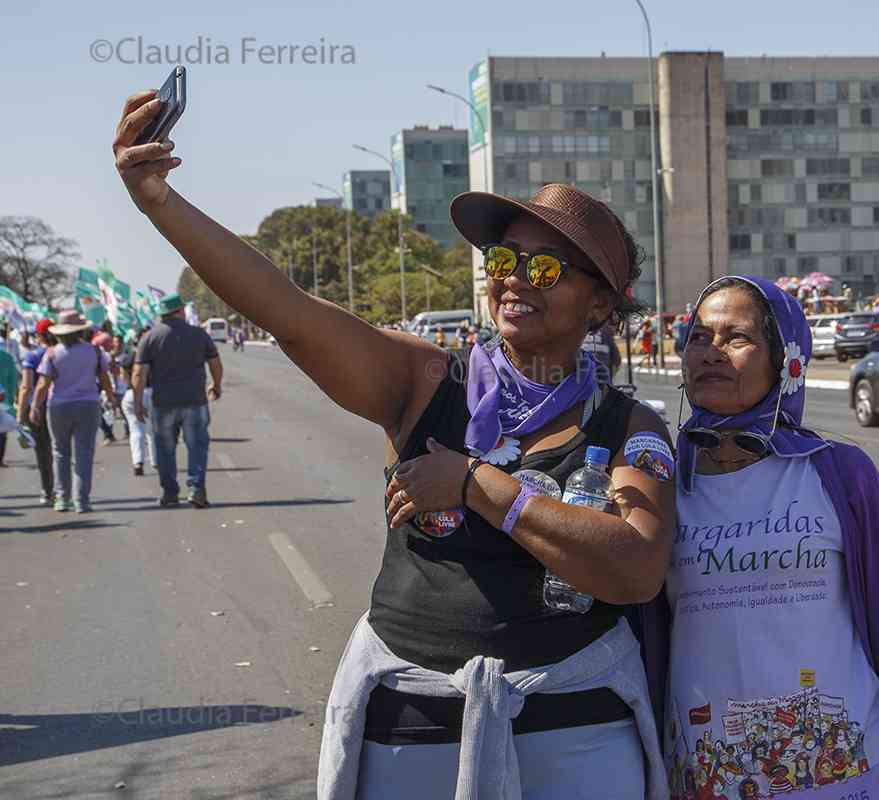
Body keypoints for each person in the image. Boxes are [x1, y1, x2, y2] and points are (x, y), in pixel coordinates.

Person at [113, 96, 673, 799]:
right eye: (504, 258)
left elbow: (635, 569)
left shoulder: (628, 426)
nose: (511, 278)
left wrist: (475, 485)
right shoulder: (425, 379)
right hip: (411, 728)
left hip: (577, 733)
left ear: (600, 304)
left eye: (545, 268)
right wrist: (161, 203)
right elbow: (289, 312)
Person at [668, 276, 879, 800]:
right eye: (698, 337)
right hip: (709, 772)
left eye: (737, 337)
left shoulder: (840, 473)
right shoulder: (660, 480)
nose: (711, 352)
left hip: (848, 771)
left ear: (785, 360)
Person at [132, 293, 222, 508]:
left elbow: (138, 374)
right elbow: (215, 364)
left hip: (163, 404)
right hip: (195, 401)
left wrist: (138, 402)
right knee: (197, 447)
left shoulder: (149, 338)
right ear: (180, 311)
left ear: (162, 314)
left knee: (165, 449)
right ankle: (196, 490)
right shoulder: (199, 334)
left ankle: (170, 493)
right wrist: (216, 385)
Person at [29, 311, 117, 513]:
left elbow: (43, 384)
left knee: (60, 452)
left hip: (59, 406)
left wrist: (34, 406)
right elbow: (104, 378)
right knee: (84, 452)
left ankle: (62, 498)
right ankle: (82, 501)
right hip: (88, 405)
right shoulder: (94, 352)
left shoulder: (52, 353)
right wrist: (112, 398)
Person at [16, 319, 56, 503]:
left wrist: (20, 415)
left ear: (39, 335)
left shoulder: (32, 356)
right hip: (61, 405)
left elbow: (26, 387)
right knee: (62, 450)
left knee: (43, 451)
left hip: (38, 408)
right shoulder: (62, 352)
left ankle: (47, 490)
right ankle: (64, 489)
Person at [120, 332, 155, 476]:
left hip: (131, 393)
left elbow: (124, 378)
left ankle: (138, 462)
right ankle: (156, 461)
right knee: (152, 430)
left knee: (135, 430)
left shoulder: (128, 358)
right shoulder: (154, 356)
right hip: (151, 392)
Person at [0, 345, 18, 467]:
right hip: (4, 401)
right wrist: (11, 399)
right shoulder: (7, 357)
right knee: (1, 431)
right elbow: (13, 380)